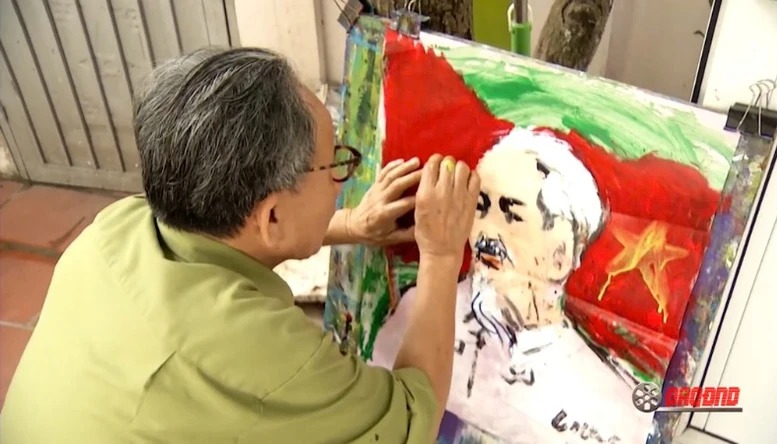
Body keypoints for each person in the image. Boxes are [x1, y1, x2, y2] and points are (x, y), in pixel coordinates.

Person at [0, 47, 480, 444]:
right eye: (334, 164)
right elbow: (413, 415)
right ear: (272, 217)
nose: (341, 181)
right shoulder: (271, 355)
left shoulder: (113, 227)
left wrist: (351, 224)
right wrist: (440, 255)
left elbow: (241, 234)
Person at [372, 127, 654, 443]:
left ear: (559, 256)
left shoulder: (608, 400)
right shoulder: (419, 309)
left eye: (512, 216)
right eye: (480, 208)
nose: (486, 232)